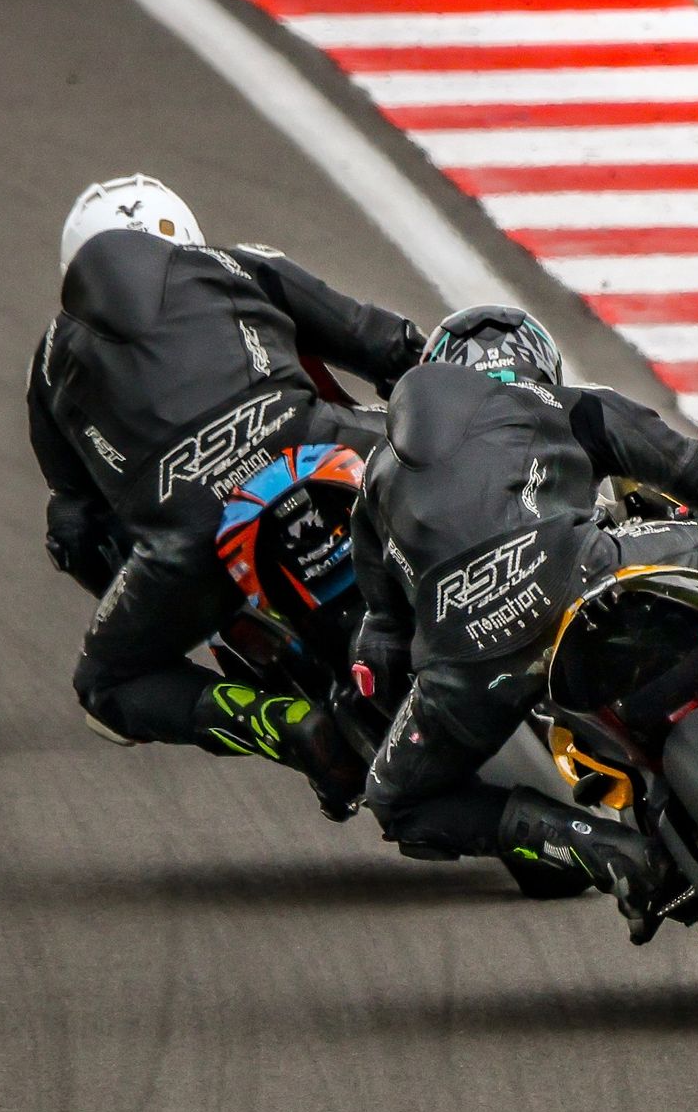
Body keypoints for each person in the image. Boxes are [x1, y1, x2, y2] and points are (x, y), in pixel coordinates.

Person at [350, 304, 698, 914]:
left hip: (467, 661)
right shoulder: (563, 403)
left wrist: (412, 676)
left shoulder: (378, 473)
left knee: (396, 798)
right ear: (538, 361)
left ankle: (613, 855)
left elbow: (379, 640)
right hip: (574, 571)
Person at [28, 173, 425, 812]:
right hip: (325, 444)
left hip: (190, 543)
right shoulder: (236, 263)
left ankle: (293, 726)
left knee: (105, 686)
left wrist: (138, 582)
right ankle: (575, 541)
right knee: (456, 451)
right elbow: (384, 341)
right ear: (180, 234)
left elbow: (73, 529)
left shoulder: (48, 364)